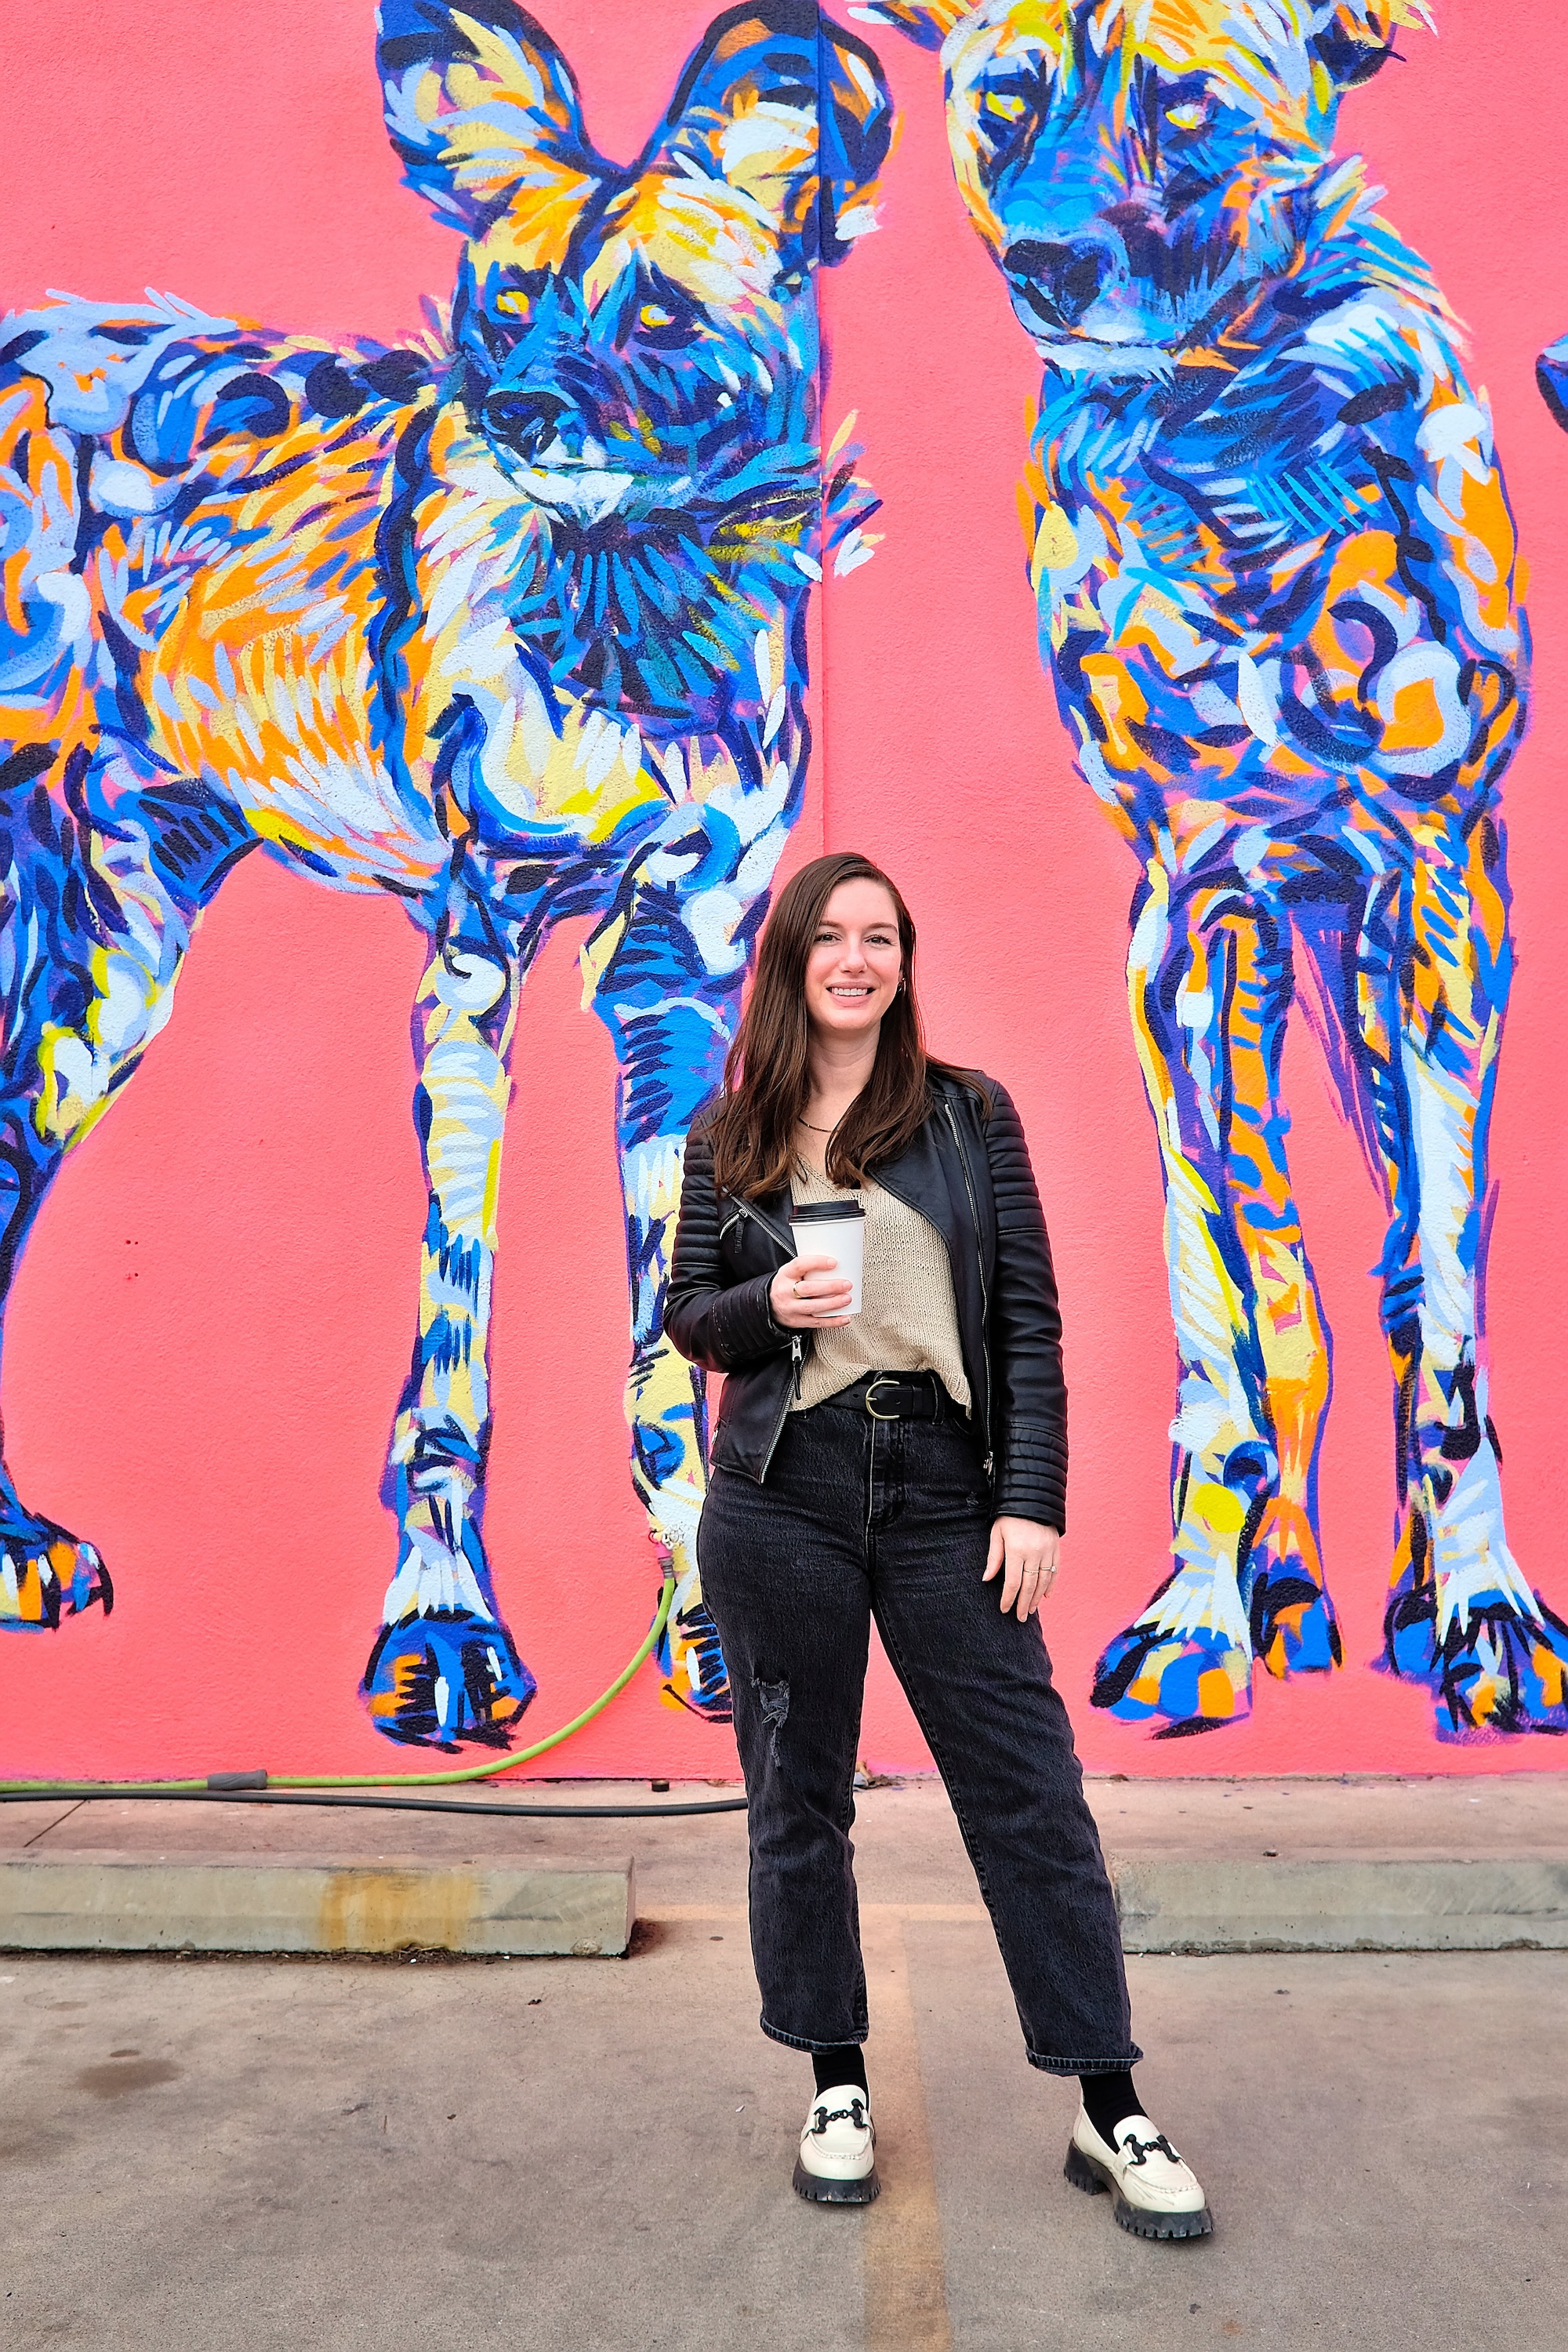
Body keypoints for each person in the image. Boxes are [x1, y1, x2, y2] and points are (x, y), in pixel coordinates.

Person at [666, 851, 1211, 2241]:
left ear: (904, 962)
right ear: (790, 956)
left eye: (883, 939)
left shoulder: (969, 1117)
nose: (857, 959)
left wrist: (1034, 1500)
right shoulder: (727, 1133)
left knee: (1030, 1793)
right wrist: (769, 1304)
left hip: (947, 1491)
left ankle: (1109, 2100)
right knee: (801, 1799)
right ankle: (836, 2079)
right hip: (782, 1491)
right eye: (832, 937)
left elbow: (1028, 1319)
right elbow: (688, 1319)